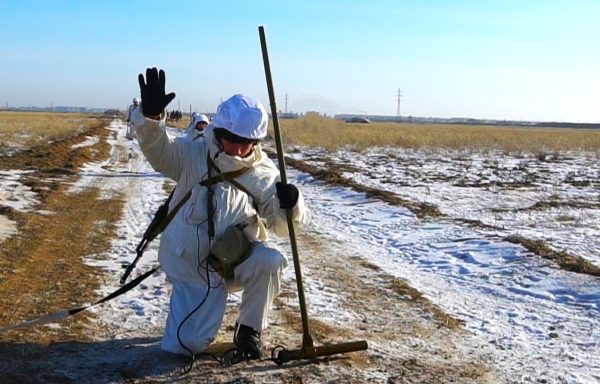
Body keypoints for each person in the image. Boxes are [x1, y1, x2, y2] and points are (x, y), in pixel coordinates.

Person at [130, 67, 309, 359]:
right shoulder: (193, 153)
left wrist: (291, 204)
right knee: (184, 347)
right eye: (232, 140)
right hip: (193, 265)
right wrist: (150, 120)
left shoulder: (264, 173)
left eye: (247, 143)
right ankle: (194, 314)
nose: (239, 149)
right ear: (220, 132)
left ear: (257, 141)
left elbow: (281, 226)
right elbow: (160, 153)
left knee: (270, 261)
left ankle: (249, 330)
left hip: (233, 259)